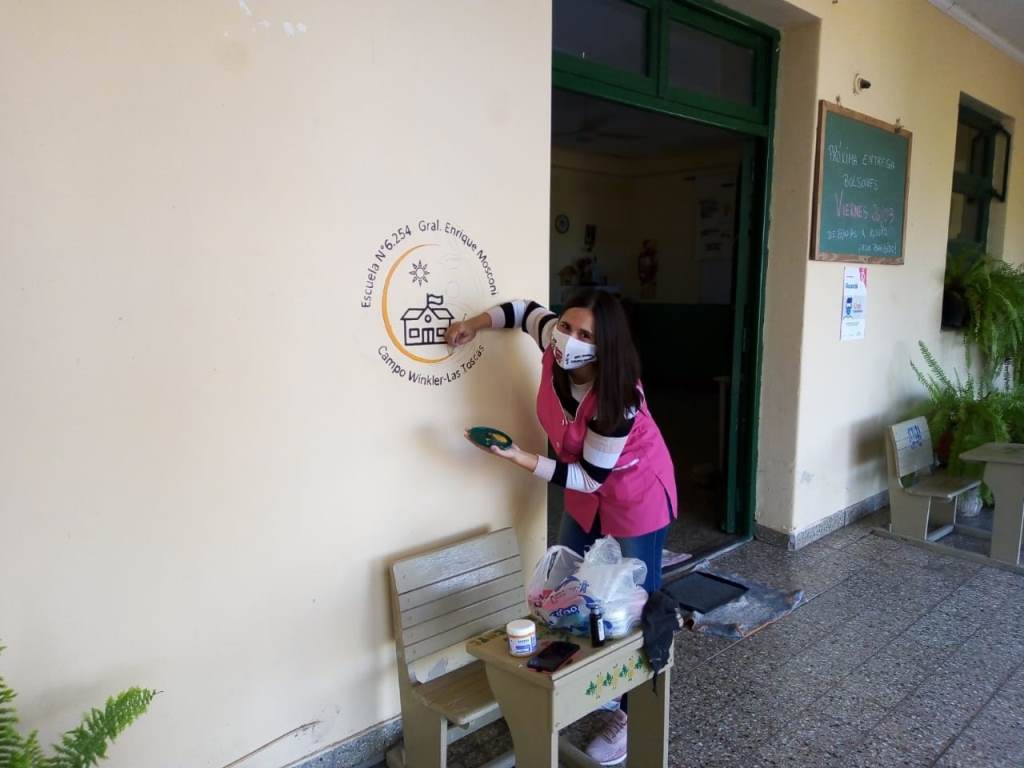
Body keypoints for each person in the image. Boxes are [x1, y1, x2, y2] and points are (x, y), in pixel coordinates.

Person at [445, 289, 677, 766]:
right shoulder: (556, 339)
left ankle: (633, 711)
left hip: (635, 493)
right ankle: (584, 680)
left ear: (606, 345)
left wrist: (519, 457)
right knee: (566, 590)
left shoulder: (618, 400)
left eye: (585, 335)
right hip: (583, 489)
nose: (569, 339)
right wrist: (474, 324)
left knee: (633, 606)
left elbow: (591, 476)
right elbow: (522, 311)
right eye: (567, 327)